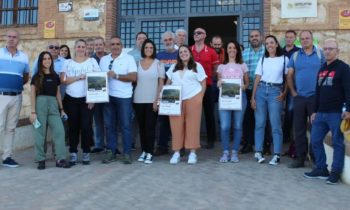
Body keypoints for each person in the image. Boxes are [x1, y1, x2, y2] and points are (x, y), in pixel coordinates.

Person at [304, 38, 350, 184]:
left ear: (337, 51)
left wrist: (348, 109)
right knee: (315, 140)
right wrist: (314, 111)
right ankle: (322, 169)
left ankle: (335, 172)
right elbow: (318, 91)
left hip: (336, 113)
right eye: (326, 49)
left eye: (331, 48)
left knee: (337, 143)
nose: (328, 51)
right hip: (321, 113)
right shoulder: (322, 68)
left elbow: (349, 90)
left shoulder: (343, 68)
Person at [287, 30, 325, 168]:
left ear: (312, 39)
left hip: (316, 97)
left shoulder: (321, 54)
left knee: (317, 128)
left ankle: (316, 158)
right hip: (300, 98)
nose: (304, 40)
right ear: (299, 40)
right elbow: (289, 75)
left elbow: (326, 74)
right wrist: (293, 92)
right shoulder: (296, 56)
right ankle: (300, 158)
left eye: (307, 38)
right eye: (302, 39)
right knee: (299, 129)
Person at [60, 39, 101, 165]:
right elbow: (63, 80)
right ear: (75, 48)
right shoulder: (67, 62)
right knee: (73, 127)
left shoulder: (92, 62)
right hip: (71, 98)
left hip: (86, 99)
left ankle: (86, 152)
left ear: (86, 48)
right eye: (79, 46)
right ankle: (73, 152)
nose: (81, 49)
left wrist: (93, 98)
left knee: (86, 126)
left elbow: (98, 80)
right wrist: (78, 77)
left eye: (83, 46)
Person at [251, 35, 289, 165]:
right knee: (260, 123)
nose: (269, 45)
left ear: (277, 44)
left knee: (275, 124)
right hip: (261, 90)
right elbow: (257, 78)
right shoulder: (263, 59)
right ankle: (258, 151)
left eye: (271, 43)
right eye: (267, 43)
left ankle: (277, 154)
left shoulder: (284, 59)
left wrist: (284, 93)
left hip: (275, 92)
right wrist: (253, 97)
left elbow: (288, 78)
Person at [29, 51, 71, 169]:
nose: (47, 61)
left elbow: (58, 93)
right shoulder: (36, 76)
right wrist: (33, 112)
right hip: (40, 104)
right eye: (44, 59)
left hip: (53, 105)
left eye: (49, 59)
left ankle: (60, 159)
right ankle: (41, 159)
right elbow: (32, 94)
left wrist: (61, 109)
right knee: (39, 133)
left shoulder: (55, 76)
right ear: (41, 61)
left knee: (59, 131)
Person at [167, 45, 207, 164]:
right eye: (181, 52)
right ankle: (176, 153)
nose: (183, 53)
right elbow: (168, 81)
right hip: (175, 100)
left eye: (185, 51)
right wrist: (165, 94)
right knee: (176, 127)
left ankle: (192, 153)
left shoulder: (197, 66)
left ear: (190, 53)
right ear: (178, 55)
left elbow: (203, 83)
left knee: (192, 126)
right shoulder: (174, 67)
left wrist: (200, 97)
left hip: (193, 98)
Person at [100, 36, 137, 164]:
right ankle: (112, 152)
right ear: (109, 46)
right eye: (113, 44)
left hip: (124, 97)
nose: (115, 46)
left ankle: (127, 153)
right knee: (110, 126)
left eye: (118, 44)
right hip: (108, 97)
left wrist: (116, 75)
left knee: (126, 126)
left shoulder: (129, 58)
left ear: (122, 46)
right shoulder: (104, 60)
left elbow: (133, 77)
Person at [0, 29, 29, 167]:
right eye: (9, 36)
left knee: (10, 128)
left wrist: (14, 85)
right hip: (1, 96)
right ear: (6, 38)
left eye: (14, 37)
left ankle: (7, 157)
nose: (11, 39)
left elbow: (25, 77)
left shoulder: (23, 57)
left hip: (16, 97)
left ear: (18, 40)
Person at [134, 39, 165, 164]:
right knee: (142, 127)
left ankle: (150, 152)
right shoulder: (137, 63)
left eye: (151, 48)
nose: (148, 50)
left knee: (150, 127)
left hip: (152, 100)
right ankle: (144, 151)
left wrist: (157, 100)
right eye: (146, 47)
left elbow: (161, 84)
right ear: (143, 49)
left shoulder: (159, 63)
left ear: (154, 49)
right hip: (138, 99)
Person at [217, 40, 249, 163]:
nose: (232, 50)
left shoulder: (242, 65)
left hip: (240, 98)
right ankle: (225, 151)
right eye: (229, 48)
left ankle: (234, 151)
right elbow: (219, 83)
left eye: (234, 48)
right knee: (225, 126)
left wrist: (244, 87)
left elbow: (247, 83)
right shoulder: (221, 67)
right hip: (225, 99)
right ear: (226, 50)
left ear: (237, 50)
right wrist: (219, 83)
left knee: (237, 126)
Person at [190, 27, 220, 149]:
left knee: (209, 114)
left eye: (199, 33)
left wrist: (209, 78)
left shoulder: (211, 51)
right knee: (192, 114)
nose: (196, 34)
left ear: (205, 35)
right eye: (195, 33)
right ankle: (192, 140)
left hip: (207, 86)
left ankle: (211, 140)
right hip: (191, 88)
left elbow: (216, 68)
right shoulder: (188, 50)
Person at [154, 31, 178, 156]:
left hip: (178, 92)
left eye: (170, 39)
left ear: (174, 40)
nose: (168, 42)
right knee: (162, 120)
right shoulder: (159, 56)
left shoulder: (180, 53)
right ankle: (162, 146)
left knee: (177, 120)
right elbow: (158, 76)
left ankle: (178, 146)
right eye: (165, 40)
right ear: (163, 42)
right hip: (163, 91)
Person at [241, 29, 265, 154]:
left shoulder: (267, 52)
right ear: (249, 39)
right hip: (248, 90)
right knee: (247, 118)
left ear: (261, 37)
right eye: (252, 36)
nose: (254, 38)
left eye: (256, 35)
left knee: (262, 118)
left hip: (262, 89)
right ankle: (248, 144)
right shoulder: (244, 53)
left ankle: (264, 145)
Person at [282, 30, 300, 158]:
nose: (289, 39)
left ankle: (288, 136)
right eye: (287, 37)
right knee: (278, 112)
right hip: (278, 85)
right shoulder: (280, 51)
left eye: (291, 37)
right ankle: (281, 136)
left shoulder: (299, 52)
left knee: (289, 111)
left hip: (292, 85)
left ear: (295, 38)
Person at [91, 37, 108, 154]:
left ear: (104, 45)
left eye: (100, 44)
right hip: (95, 94)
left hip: (108, 94)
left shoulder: (109, 58)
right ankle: (98, 144)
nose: (98, 46)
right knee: (97, 121)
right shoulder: (90, 59)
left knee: (109, 120)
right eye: (96, 45)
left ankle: (109, 144)